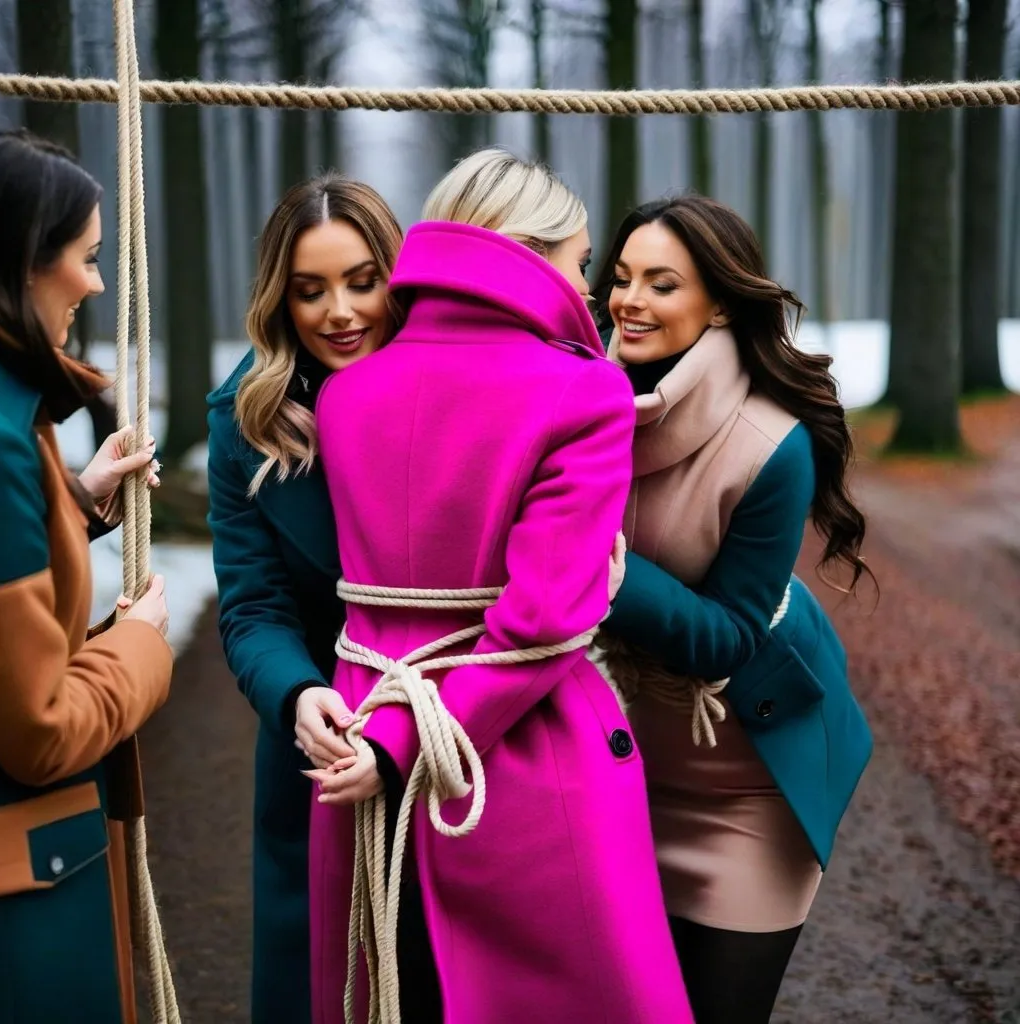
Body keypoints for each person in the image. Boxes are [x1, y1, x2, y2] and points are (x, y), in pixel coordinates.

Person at [306, 149, 693, 1023]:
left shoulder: (344, 395)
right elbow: (545, 617)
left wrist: (390, 733)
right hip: (516, 758)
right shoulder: (585, 391)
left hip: (363, 728)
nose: (591, 291)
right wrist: (411, 743)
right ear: (529, 256)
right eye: (582, 260)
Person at [591, 194, 874, 1024]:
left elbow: (728, 637)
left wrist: (606, 575)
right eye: (621, 278)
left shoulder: (770, 443)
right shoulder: (578, 405)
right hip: (620, 769)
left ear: (718, 302)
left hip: (744, 787)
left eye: (661, 283)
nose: (630, 300)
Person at [206, 173, 403, 1024]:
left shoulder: (468, 389)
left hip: (459, 726)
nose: (339, 312)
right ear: (279, 299)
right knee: (312, 980)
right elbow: (252, 603)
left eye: (363, 281)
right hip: (320, 735)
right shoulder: (244, 416)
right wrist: (295, 692)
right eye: (310, 290)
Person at [0, 129, 172, 1023]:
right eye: (88, 257)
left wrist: (76, 499)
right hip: (20, 902)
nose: (98, 283)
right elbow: (38, 731)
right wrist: (140, 648)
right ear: (30, 262)